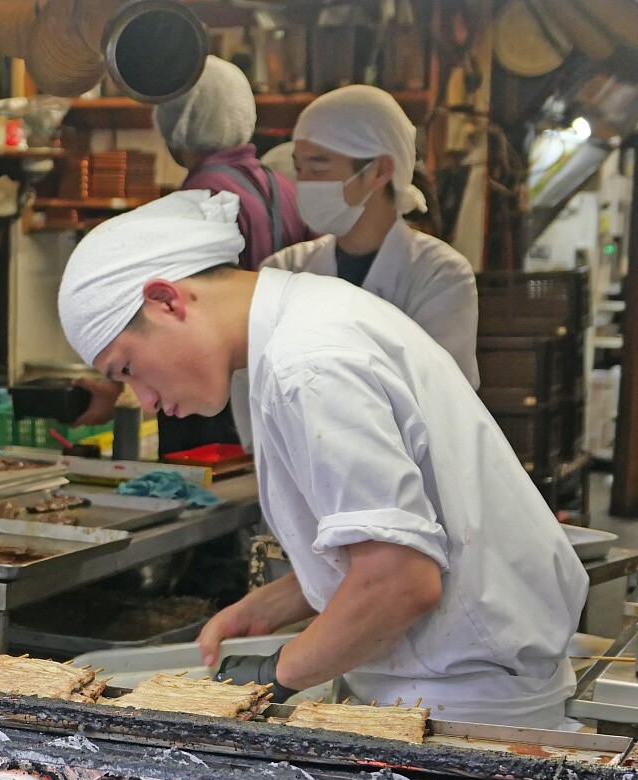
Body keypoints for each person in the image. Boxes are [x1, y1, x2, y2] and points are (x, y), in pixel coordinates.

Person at [57, 189, 586, 728]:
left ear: (167, 300)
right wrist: (273, 604)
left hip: (460, 707)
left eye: (127, 368)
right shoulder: (310, 315)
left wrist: (272, 674)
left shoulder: (308, 363)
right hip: (450, 686)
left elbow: (401, 580)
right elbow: (406, 536)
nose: (144, 400)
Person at [75, 56, 309, 458]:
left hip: (209, 393)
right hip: (269, 383)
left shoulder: (203, 194)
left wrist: (119, 375)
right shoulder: (281, 185)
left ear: (176, 124)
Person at [262, 85, 479, 388]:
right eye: (300, 169)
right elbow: (258, 382)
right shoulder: (283, 270)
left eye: (318, 168)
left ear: (379, 171)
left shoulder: (439, 275)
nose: (304, 183)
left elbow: (442, 395)